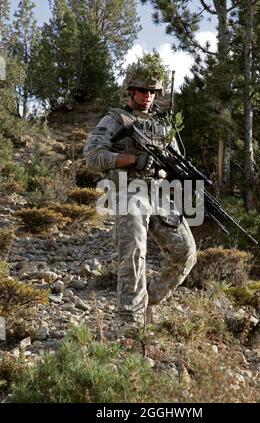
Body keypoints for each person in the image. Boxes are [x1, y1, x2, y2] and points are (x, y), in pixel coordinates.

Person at [84, 61, 197, 334]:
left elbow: (174, 160)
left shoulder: (163, 124)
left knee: (186, 253)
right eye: (143, 91)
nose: (149, 96)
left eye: (154, 92)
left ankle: (148, 299)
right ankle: (129, 321)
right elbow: (92, 156)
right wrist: (132, 159)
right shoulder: (114, 120)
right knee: (134, 251)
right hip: (128, 193)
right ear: (131, 91)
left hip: (158, 195)